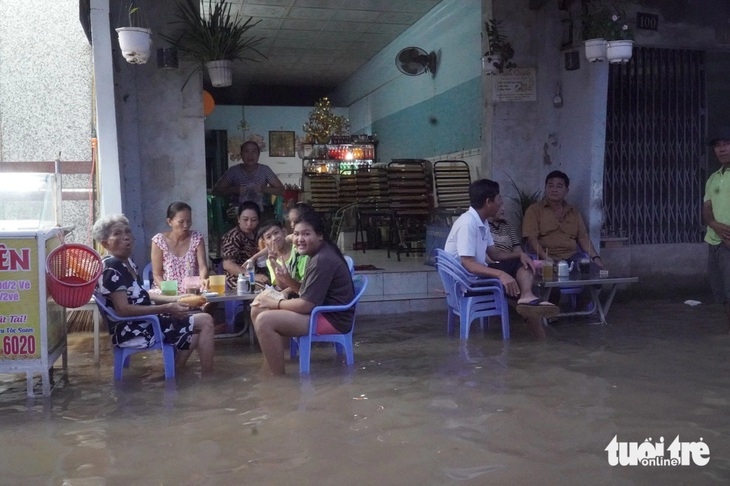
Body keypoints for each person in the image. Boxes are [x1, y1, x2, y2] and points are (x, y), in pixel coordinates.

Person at [92, 214, 214, 374]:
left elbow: (143, 295)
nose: (126, 238)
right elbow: (123, 309)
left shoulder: (126, 263)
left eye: (128, 232)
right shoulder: (111, 268)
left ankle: (177, 369)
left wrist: (178, 298)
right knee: (205, 321)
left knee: (195, 316)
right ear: (105, 243)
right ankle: (209, 378)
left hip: (144, 321)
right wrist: (166, 308)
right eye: (117, 234)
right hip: (134, 329)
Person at [444, 179, 558, 339]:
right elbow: (467, 263)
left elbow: (495, 255)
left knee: (521, 264)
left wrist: (519, 254)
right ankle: (538, 328)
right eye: (499, 200)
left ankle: (527, 298)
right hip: (467, 281)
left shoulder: (481, 222)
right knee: (517, 276)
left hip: (473, 276)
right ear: (488, 202)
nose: (501, 204)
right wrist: (501, 275)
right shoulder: (468, 224)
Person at [252, 210, 354, 375]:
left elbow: (306, 304)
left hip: (331, 319)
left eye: (306, 234)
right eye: (297, 234)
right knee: (259, 309)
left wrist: (275, 303)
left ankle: (279, 381)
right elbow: (307, 291)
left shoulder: (322, 259)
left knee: (265, 320)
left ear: (319, 235)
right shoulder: (319, 254)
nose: (299, 239)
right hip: (319, 311)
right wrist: (287, 278)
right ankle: (274, 362)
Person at [522, 170, 604, 269]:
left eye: (559, 186)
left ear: (566, 191)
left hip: (572, 257)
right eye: (550, 186)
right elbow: (532, 239)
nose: (554, 189)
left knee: (594, 273)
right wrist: (546, 258)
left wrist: (595, 257)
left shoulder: (574, 212)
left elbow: (583, 238)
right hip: (547, 257)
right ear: (545, 188)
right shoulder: (534, 210)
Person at [703, 127, 730, 333]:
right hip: (714, 243)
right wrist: (713, 224)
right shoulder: (713, 178)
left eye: (727, 144)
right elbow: (706, 209)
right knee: (721, 294)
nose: (722, 149)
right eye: (718, 146)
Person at [211, 140, 285, 215]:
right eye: (246, 151)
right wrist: (234, 189)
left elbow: (281, 190)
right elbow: (216, 191)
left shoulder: (265, 170)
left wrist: (263, 189)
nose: (250, 155)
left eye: (254, 151)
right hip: (238, 210)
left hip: (261, 211)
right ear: (241, 154)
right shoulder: (233, 171)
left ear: (258, 154)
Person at [150, 201, 209, 292]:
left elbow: (203, 267)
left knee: (209, 299)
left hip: (193, 289)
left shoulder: (197, 238)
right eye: (181, 222)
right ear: (170, 222)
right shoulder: (159, 241)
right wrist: (170, 292)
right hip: (167, 290)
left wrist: (202, 281)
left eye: (189, 221)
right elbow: (157, 275)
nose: (186, 225)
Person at [220, 201, 270, 290]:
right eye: (245, 219)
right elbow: (228, 265)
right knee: (265, 291)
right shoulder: (233, 237)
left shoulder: (258, 235)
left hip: (260, 275)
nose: (249, 224)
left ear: (258, 220)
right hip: (239, 278)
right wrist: (252, 276)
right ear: (238, 219)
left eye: (253, 220)